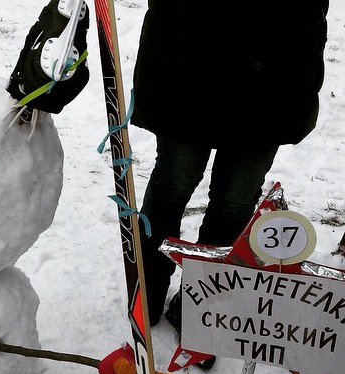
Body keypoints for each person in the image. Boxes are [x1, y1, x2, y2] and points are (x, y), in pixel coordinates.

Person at [131, 1, 329, 337]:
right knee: (172, 184)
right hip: (188, 66)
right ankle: (147, 286)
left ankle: (203, 306)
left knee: (235, 201)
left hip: (275, 78)